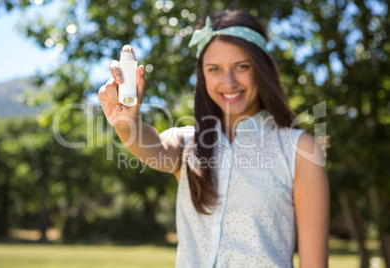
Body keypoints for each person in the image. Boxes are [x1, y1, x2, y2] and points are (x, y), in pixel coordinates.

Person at [98, 9, 329, 268]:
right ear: (203, 75)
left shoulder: (299, 149)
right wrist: (127, 124)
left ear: (261, 68)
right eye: (214, 69)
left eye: (241, 66)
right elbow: (155, 148)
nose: (228, 82)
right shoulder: (188, 143)